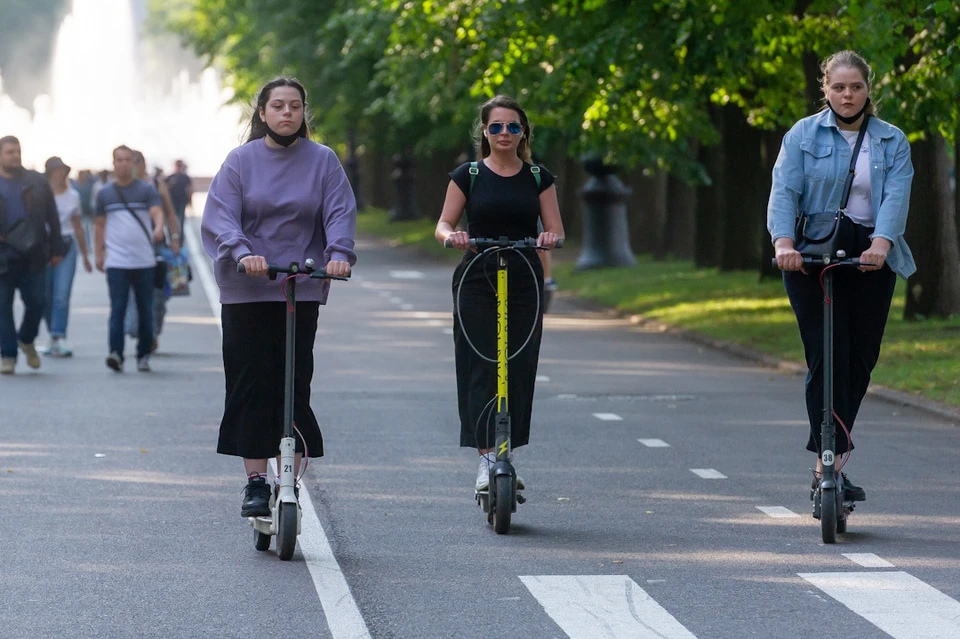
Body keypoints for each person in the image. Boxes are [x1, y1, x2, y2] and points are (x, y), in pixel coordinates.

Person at [201, 77, 357, 517]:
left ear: (304, 112)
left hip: (298, 284)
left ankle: (287, 470)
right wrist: (242, 252)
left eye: (295, 106)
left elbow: (339, 211)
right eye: (278, 106)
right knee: (251, 380)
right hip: (248, 288)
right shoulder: (240, 161)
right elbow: (221, 215)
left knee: (292, 380)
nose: (287, 113)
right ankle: (255, 481)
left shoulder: (323, 161)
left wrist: (339, 254)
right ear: (263, 113)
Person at [767, 50, 914, 502]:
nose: (847, 95)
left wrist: (881, 245)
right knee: (826, 358)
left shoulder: (891, 140)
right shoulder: (802, 135)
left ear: (869, 89)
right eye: (838, 87)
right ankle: (826, 462)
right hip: (812, 258)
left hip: (870, 257)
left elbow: (895, 197)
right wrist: (783, 244)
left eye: (855, 87)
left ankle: (834, 454)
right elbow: (784, 191)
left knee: (859, 360)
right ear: (825, 89)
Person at [435, 95, 563, 492]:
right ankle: (486, 459)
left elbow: (555, 231)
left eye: (512, 126)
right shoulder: (468, 174)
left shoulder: (539, 177)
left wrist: (547, 240)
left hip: (524, 276)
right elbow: (442, 223)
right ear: (484, 132)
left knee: (518, 366)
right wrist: (452, 237)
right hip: (477, 275)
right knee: (482, 366)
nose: (504, 133)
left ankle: (507, 452)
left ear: (523, 132)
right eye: (496, 127)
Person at [94, 145, 165, 373]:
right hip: (117, 262)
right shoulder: (105, 193)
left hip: (144, 261)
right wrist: (98, 253)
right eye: (119, 160)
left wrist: (160, 228)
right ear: (113, 163)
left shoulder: (146, 190)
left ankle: (143, 354)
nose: (124, 164)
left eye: (128, 160)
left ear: (134, 164)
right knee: (118, 309)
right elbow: (100, 225)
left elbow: (157, 212)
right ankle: (116, 353)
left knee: (145, 310)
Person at [0, 136, 65, 374]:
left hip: (33, 254)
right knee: (2, 308)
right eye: (9, 152)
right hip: (3, 257)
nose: (15, 156)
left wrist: (57, 248)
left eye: (17, 151)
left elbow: (53, 216)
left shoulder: (37, 181)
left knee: (37, 303)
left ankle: (26, 340)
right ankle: (8, 355)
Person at [122, 151, 180, 353]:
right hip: (130, 248)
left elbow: (170, 214)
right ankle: (137, 328)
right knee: (131, 291)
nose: (135, 166)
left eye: (138, 161)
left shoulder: (156, 184)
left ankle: (153, 332)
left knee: (157, 293)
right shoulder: (123, 187)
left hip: (156, 245)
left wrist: (174, 238)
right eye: (132, 162)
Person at [41, 157, 93, 357]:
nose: (60, 174)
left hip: (66, 244)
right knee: (45, 295)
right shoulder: (42, 195)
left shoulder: (73, 196)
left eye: (63, 170)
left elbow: (78, 226)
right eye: (57, 170)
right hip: (45, 245)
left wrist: (85, 255)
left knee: (61, 295)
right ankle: (51, 334)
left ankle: (58, 335)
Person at [166, 159, 193, 235]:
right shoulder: (170, 177)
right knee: (171, 221)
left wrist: (190, 202)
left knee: (181, 222)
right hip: (172, 203)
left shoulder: (185, 177)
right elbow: (164, 190)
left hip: (182, 202)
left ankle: (180, 239)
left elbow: (190, 189)